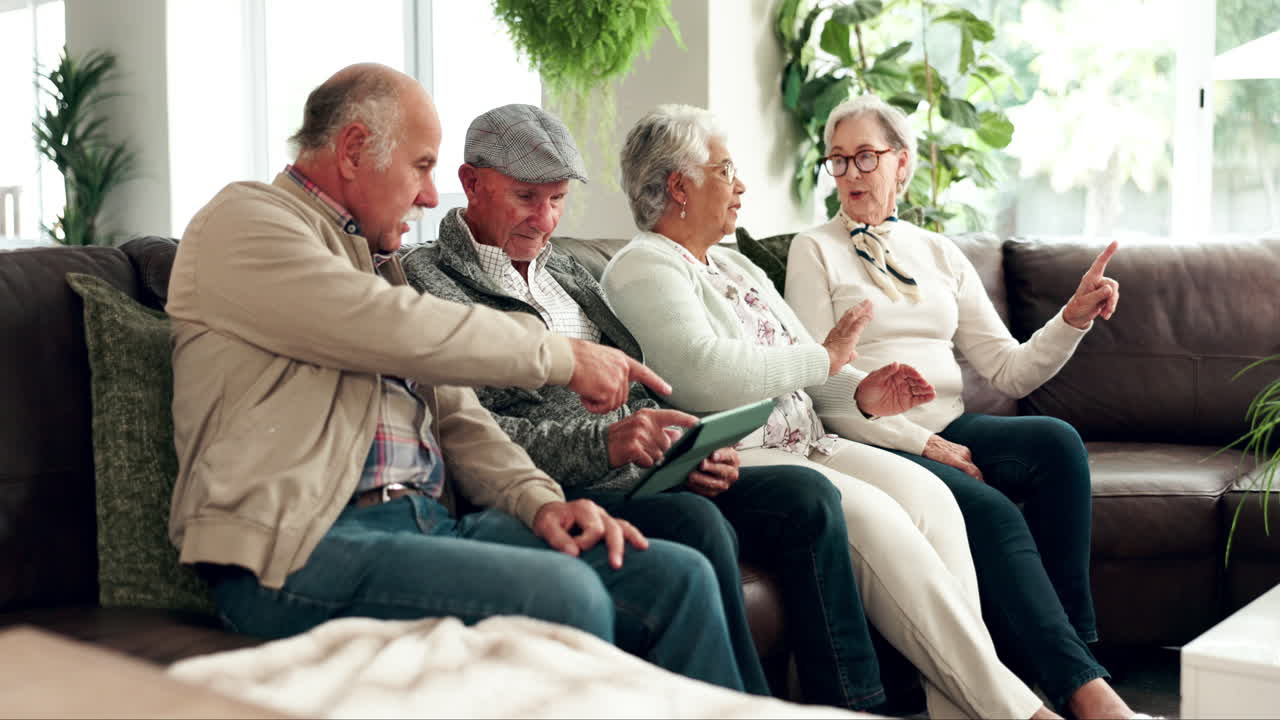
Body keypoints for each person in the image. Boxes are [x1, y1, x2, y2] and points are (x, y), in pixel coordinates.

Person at [164, 63, 750, 693]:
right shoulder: (247, 224)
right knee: (565, 594)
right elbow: (389, 325)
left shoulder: (375, 264)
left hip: (426, 522)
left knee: (676, 578)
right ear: (356, 149)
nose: (427, 195)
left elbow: (462, 420)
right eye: (422, 166)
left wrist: (544, 503)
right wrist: (561, 356)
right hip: (302, 549)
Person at [400, 102, 897, 710]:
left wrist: (692, 450)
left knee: (807, 497)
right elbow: (475, 425)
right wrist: (604, 441)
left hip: (649, 466)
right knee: (697, 523)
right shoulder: (426, 281)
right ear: (472, 182)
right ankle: (750, 706)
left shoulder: (571, 277)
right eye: (528, 197)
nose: (545, 220)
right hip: (566, 482)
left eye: (558, 200)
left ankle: (859, 703)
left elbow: (641, 385)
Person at [601, 103, 1073, 720]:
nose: (741, 185)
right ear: (678, 187)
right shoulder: (643, 267)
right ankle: (1022, 713)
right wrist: (824, 362)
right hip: (750, 451)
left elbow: (816, 368)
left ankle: (959, 711)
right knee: (886, 526)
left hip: (810, 439)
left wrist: (864, 393)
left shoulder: (734, 264)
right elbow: (706, 375)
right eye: (726, 170)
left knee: (937, 503)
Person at [782, 94, 1139, 719]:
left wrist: (1072, 319)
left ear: (903, 164)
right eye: (838, 161)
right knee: (993, 512)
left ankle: (1064, 662)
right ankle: (1090, 698)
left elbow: (1009, 366)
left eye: (866, 156)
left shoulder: (939, 252)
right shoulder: (812, 251)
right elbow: (820, 379)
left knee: (1056, 443)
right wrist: (923, 444)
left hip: (948, 422)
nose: (851, 174)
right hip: (875, 438)